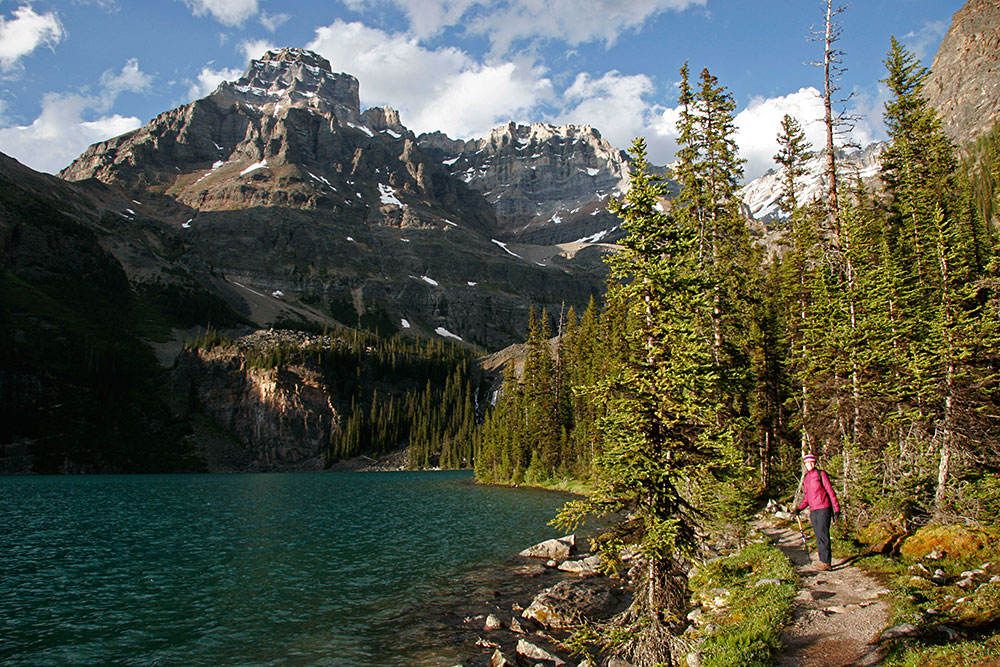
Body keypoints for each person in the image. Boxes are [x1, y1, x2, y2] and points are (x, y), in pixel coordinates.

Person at [796, 453, 841, 570]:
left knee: (823, 534)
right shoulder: (806, 478)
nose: (809, 464)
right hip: (813, 510)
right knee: (818, 535)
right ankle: (823, 560)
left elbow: (830, 491)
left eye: (811, 462)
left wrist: (836, 507)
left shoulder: (821, 474)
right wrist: (799, 508)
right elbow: (807, 497)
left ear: (814, 463)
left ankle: (826, 562)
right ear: (805, 464)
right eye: (807, 463)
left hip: (823, 508)